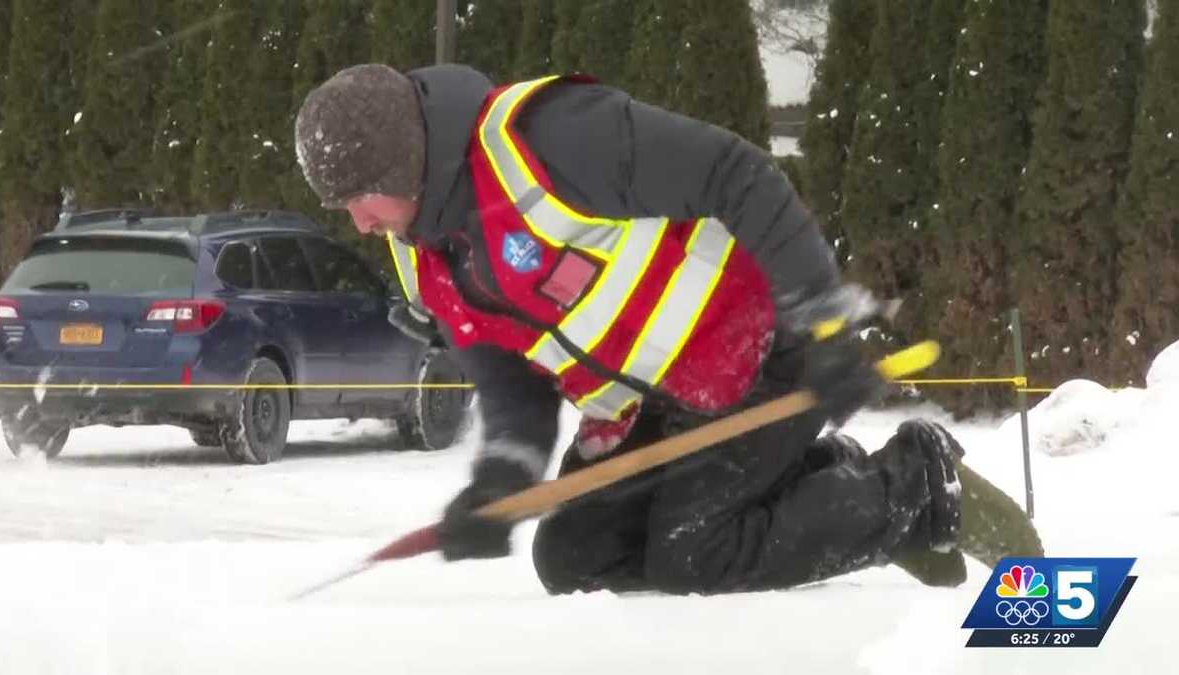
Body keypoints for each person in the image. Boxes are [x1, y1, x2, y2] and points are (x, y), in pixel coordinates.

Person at [294, 63, 1039, 595]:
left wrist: (824, 322)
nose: (360, 223)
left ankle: (919, 487)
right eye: (345, 207)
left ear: (410, 161)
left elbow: (737, 172)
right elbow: (508, 378)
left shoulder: (546, 139)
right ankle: (818, 489)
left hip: (757, 352)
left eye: (365, 196)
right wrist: (501, 478)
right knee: (575, 558)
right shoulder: (418, 252)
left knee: (694, 551)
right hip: (650, 400)